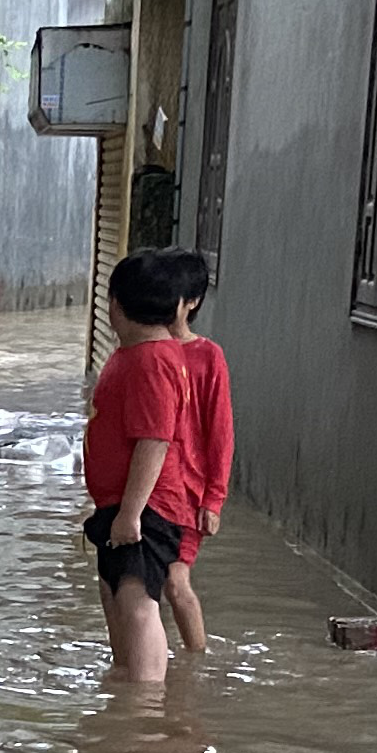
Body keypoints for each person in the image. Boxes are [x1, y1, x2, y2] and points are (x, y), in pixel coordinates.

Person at [82, 254, 206, 685]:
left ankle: (146, 705)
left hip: (147, 508)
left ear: (114, 304)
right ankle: (128, 687)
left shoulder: (152, 360)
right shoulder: (137, 354)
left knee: (136, 599)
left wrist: (132, 513)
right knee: (118, 592)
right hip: (123, 506)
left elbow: (155, 439)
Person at [160, 246, 233, 656]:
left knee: (175, 581)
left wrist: (214, 498)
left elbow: (220, 432)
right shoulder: (144, 351)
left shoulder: (209, 357)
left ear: (193, 303)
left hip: (187, 493)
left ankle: (197, 662)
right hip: (150, 491)